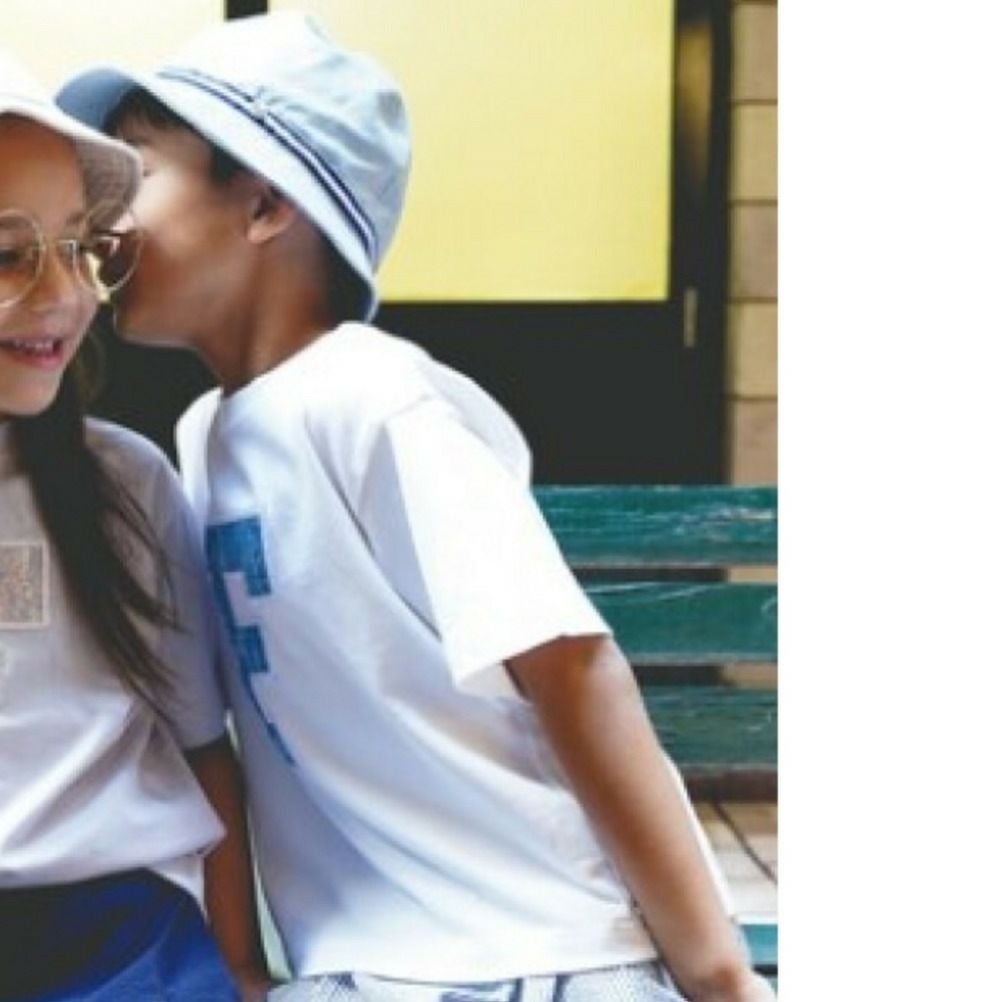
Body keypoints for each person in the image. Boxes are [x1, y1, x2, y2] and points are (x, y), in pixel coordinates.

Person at [59, 13, 775, 1002]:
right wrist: (244, 967)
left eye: (136, 173)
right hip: (368, 967)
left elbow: (572, 668)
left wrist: (717, 970)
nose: (103, 217)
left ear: (264, 204)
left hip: (534, 953)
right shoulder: (208, 435)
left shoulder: (377, 400)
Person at [0, 52, 270, 1001]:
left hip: (120, 947)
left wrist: (242, 969)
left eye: (79, 246)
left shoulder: (123, 484)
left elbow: (203, 747)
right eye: (9, 253)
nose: (66, 293)